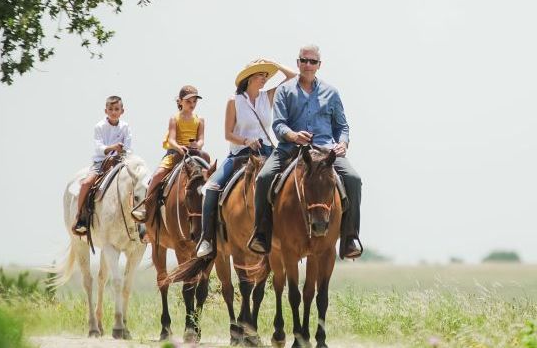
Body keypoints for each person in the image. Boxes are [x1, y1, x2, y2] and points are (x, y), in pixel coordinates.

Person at [247, 45, 365, 259]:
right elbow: (279, 124)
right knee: (264, 177)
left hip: (326, 150)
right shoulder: (285, 90)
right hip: (291, 149)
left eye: (313, 62)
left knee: (354, 179)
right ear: (298, 62)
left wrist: (343, 143)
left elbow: (342, 127)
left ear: (319, 65)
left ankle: (349, 238)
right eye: (304, 60)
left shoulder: (332, 92)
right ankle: (262, 235)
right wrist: (292, 135)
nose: (308, 65)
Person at [194, 59, 294, 257]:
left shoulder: (269, 96)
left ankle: (289, 234)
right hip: (240, 154)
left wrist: (274, 63)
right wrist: (246, 141)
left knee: (291, 181)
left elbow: (293, 77)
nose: (264, 79)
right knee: (211, 188)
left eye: (266, 75)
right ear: (249, 78)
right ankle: (206, 239)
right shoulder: (234, 101)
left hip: (266, 152)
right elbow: (228, 134)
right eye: (260, 75)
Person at [132, 85, 210, 238]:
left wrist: (197, 145)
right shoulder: (174, 119)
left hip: (194, 153)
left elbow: (201, 139)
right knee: (157, 175)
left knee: (210, 173)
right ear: (180, 102)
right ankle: (147, 208)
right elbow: (172, 139)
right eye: (188, 101)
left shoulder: (200, 119)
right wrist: (179, 147)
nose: (192, 104)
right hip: (176, 153)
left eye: (194, 101)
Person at [73, 95, 134, 235]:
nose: (114, 112)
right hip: (101, 162)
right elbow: (99, 147)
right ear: (105, 111)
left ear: (122, 111)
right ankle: (80, 216)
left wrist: (122, 151)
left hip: (120, 162)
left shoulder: (125, 127)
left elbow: (129, 148)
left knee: (137, 183)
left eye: (116, 109)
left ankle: (138, 219)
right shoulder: (99, 126)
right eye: (111, 109)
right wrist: (113, 147)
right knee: (86, 183)